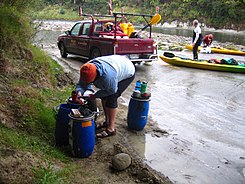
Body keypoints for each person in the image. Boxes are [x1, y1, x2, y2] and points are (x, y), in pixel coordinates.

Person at [76, 55, 135, 138]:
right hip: (115, 64)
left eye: (90, 82)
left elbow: (112, 90)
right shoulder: (86, 69)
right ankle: (107, 122)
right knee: (104, 96)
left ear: (96, 76)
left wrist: (95, 95)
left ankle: (111, 129)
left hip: (128, 70)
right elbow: (81, 84)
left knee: (111, 97)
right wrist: (79, 92)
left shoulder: (108, 77)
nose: (89, 83)